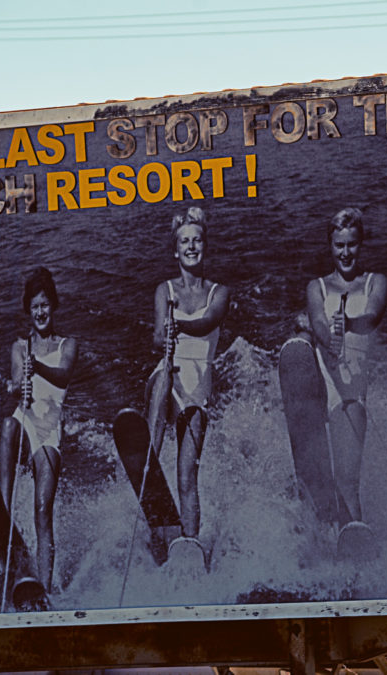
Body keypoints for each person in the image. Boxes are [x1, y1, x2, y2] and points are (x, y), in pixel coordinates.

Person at [146, 206, 230, 546]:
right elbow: (155, 337)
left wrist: (177, 325)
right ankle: (149, 456)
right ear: (175, 250)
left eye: (197, 241)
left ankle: (190, 543)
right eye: (185, 242)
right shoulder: (163, 291)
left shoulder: (219, 293)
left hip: (198, 387)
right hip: (167, 376)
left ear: (204, 246)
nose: (191, 247)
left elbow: (206, 323)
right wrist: (163, 335)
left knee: (186, 476)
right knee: (164, 373)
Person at [305, 207, 387, 538]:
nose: (345, 252)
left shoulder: (374, 282)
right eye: (339, 245)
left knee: (347, 478)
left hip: (351, 394)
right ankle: (329, 541)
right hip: (321, 384)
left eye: (352, 244)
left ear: (361, 244)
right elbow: (318, 324)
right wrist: (331, 337)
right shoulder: (317, 288)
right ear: (330, 246)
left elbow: (373, 316)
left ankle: (355, 539)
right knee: (319, 481)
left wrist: (350, 325)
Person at [0, 267, 79, 592]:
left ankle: (44, 588)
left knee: (43, 511)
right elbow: (17, 381)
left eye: (45, 305)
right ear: (28, 311)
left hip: (49, 433)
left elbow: (63, 376)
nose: (41, 312)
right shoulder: (19, 347)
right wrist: (18, 385)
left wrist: (39, 367)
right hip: (25, 422)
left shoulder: (68, 345)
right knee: (7, 425)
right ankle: (3, 515)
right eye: (35, 306)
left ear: (53, 306)